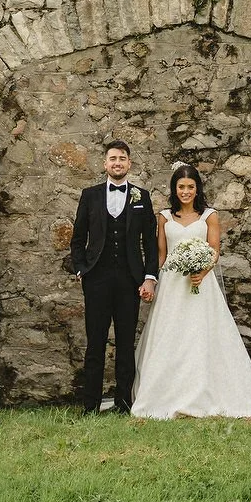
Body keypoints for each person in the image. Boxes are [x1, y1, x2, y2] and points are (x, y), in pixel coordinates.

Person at [130, 163, 251, 419]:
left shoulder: (209, 215)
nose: (185, 192)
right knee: (170, 337)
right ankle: (163, 395)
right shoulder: (165, 217)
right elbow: (162, 256)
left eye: (190, 187)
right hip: (173, 286)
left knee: (202, 336)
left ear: (197, 188)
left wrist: (202, 270)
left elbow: (214, 250)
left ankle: (209, 392)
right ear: (174, 189)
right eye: (181, 187)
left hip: (201, 283)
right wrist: (153, 281)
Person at [70, 139, 158, 414]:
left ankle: (124, 404)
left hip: (129, 280)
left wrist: (149, 277)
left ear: (129, 164)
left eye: (122, 158)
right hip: (96, 278)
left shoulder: (141, 196)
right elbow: (77, 238)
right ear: (105, 163)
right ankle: (90, 406)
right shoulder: (90, 195)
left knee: (125, 343)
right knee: (95, 343)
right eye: (113, 158)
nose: (117, 163)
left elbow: (150, 243)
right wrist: (81, 269)